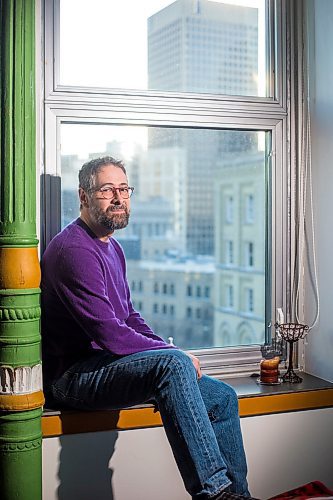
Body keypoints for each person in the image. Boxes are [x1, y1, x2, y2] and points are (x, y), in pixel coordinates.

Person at [41, 156, 254, 500]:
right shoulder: (73, 250)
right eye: (107, 190)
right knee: (173, 364)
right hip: (72, 378)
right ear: (83, 196)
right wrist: (172, 355)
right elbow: (110, 333)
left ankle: (239, 496)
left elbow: (129, 317)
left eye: (124, 189)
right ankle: (216, 493)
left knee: (223, 399)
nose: (118, 198)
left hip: (106, 366)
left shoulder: (113, 247)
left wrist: (168, 349)